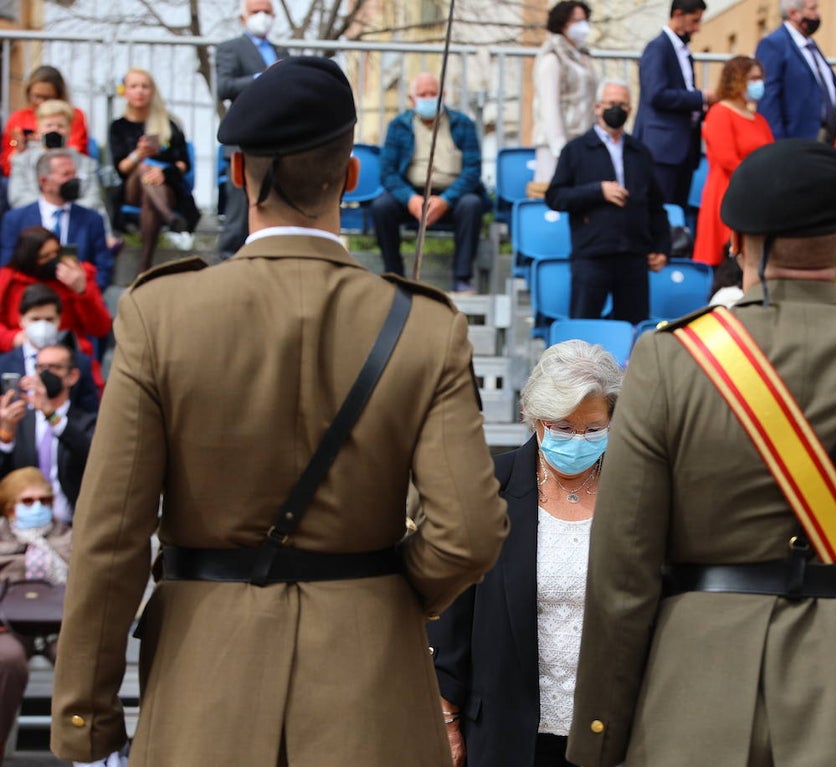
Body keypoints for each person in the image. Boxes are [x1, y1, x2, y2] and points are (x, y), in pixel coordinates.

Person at [49, 57, 508, 765]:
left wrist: (86, 713)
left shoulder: (160, 312)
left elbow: (111, 536)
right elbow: (470, 532)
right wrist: (382, 594)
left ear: (237, 173)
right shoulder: (424, 324)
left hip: (205, 688)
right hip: (372, 693)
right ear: (351, 176)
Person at [566, 139, 836, 766]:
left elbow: (621, 574)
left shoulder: (669, 359)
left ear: (737, 240)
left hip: (691, 707)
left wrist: (599, 736)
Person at [429, 339, 623, 767]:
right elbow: (451, 619)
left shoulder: (634, 493)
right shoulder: (489, 488)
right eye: (563, 427)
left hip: (611, 731)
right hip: (504, 730)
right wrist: (446, 720)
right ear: (533, 419)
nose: (578, 439)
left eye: (592, 428)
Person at [545, 80, 670, 324]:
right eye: (611, 103)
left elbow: (656, 206)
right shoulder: (576, 150)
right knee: (582, 330)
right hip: (592, 255)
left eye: (623, 104)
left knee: (634, 332)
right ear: (598, 107)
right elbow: (556, 197)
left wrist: (662, 248)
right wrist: (597, 191)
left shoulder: (640, 152)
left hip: (633, 256)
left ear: (630, 110)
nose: (617, 109)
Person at [372, 72, 488, 293]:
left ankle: (462, 278)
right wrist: (410, 199)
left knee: (472, 205)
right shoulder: (398, 126)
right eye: (422, 94)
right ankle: (394, 276)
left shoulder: (463, 124)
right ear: (412, 99)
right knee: (382, 207)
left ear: (443, 96)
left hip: (453, 196)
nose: (428, 98)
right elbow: (387, 173)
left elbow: (473, 171)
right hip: (411, 195)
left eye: (433, 93)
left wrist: (446, 200)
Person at [0, 467, 70, 754]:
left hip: (62, 627)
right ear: (9, 507)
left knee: (77, 657)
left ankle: (83, 749)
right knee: (6, 658)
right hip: (9, 627)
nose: (38, 507)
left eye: (44, 500)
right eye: (28, 501)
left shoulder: (69, 537)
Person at [216, 0, 288, 259]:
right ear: (243, 17)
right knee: (237, 220)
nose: (262, 17)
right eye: (256, 12)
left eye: (267, 12)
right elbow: (224, 87)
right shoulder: (230, 49)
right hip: (244, 144)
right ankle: (223, 278)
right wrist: (263, 77)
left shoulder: (282, 52)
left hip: (277, 145)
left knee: (272, 217)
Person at [109, 68, 199, 273]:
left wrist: (163, 174)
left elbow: (183, 163)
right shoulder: (119, 127)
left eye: (145, 86)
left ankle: (144, 266)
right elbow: (121, 168)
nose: (140, 91)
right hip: (132, 188)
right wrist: (139, 154)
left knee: (150, 198)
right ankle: (170, 218)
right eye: (134, 86)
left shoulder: (168, 124)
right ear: (125, 91)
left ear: (152, 91)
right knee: (143, 168)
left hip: (165, 187)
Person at [0, 343, 96, 523]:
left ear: (72, 376)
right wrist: (5, 435)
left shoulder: (87, 422)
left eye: (55, 367)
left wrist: (51, 415)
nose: (46, 373)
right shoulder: (20, 421)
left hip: (73, 527)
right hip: (22, 528)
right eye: (41, 367)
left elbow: (92, 455)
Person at [692, 56, 773, 266]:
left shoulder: (759, 119)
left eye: (760, 78)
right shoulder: (719, 113)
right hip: (728, 192)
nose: (758, 84)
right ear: (736, 80)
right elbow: (726, 158)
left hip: (758, 195)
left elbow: (772, 154)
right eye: (752, 78)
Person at [633, 0, 713, 208]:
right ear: (678, 14)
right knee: (659, 212)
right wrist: (701, 98)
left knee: (676, 216)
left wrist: (704, 107)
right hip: (662, 150)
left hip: (684, 148)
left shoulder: (684, 52)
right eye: (694, 21)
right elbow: (656, 94)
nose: (697, 28)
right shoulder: (657, 48)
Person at [0, 150, 114, 291]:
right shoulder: (15, 219)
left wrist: (85, 289)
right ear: (44, 181)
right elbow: (7, 265)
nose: (74, 180)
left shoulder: (92, 219)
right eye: (66, 174)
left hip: (77, 300)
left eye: (74, 174)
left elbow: (103, 267)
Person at [0, 227, 110, 368]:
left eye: (56, 253)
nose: (53, 260)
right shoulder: (7, 279)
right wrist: (13, 339)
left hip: (68, 358)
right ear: (29, 258)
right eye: (45, 257)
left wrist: (82, 290)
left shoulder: (76, 275)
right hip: (18, 357)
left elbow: (100, 328)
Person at [8, 100, 110, 239]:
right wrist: (49, 209)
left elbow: (92, 199)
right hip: (33, 227)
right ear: (38, 128)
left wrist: (65, 212)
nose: (54, 130)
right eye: (49, 125)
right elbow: (18, 198)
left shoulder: (86, 163)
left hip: (77, 224)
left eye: (60, 125)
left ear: (69, 130)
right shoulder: (21, 160)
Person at [0, 284, 101, 413]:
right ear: (21, 319)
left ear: (59, 320)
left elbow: (89, 417)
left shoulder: (80, 363)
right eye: (35, 319)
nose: (42, 325)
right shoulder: (3, 364)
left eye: (49, 319)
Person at [531, 1, 598, 192]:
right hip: (556, 145)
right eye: (576, 21)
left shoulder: (584, 56)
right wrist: (560, 148)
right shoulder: (552, 58)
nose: (582, 26)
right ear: (561, 23)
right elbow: (549, 106)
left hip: (582, 139)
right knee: (555, 193)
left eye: (584, 20)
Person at [754, 0, 836, 142]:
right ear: (793, 13)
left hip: (829, 137)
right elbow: (768, 100)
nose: (817, 14)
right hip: (798, 142)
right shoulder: (774, 44)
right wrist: (779, 147)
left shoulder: (811, 46)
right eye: (812, 9)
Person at [1, 65, 91, 177]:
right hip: (26, 174)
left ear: (59, 95)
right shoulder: (18, 118)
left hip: (63, 175)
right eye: (36, 96)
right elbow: (7, 165)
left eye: (47, 98)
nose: (41, 102)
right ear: (28, 93)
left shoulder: (73, 116)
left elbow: (78, 152)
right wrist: (18, 147)